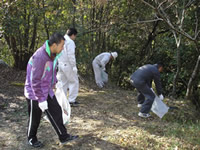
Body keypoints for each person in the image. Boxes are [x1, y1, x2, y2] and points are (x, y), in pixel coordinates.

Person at [24, 33, 78, 148]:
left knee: (56, 111)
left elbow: (52, 70)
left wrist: (55, 83)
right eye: (62, 45)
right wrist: (41, 100)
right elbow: (35, 81)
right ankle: (31, 138)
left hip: (46, 89)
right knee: (35, 118)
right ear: (54, 45)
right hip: (34, 92)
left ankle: (64, 136)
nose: (63, 48)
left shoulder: (53, 55)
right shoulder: (40, 57)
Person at [57, 28, 79, 107]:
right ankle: (71, 100)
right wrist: (74, 66)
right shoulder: (70, 42)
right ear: (73, 35)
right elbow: (71, 55)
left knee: (63, 83)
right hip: (68, 64)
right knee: (74, 82)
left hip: (61, 64)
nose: (74, 38)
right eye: (75, 36)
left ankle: (62, 100)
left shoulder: (61, 40)